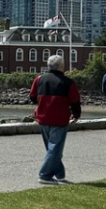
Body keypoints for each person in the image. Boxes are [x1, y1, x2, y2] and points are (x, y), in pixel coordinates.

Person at [29, 54, 81, 184]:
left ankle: (60, 174)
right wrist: (76, 115)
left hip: (43, 117)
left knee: (52, 148)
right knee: (55, 148)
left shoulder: (39, 79)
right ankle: (44, 175)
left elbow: (33, 97)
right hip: (59, 119)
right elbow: (75, 101)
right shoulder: (68, 82)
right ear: (62, 66)